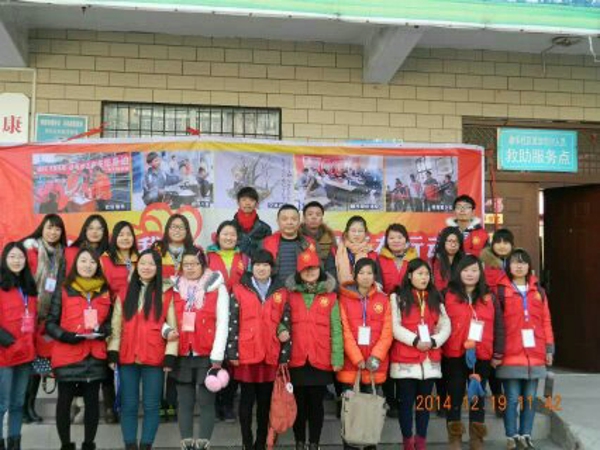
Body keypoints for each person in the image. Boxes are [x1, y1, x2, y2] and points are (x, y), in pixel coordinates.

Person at [108, 248, 178, 450]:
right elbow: (116, 326)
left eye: (151, 264)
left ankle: (146, 445)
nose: (146, 267)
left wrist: (170, 355)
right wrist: (113, 351)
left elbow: (173, 328)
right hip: (127, 357)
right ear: (136, 266)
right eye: (143, 263)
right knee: (128, 405)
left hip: (154, 357)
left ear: (158, 268)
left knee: (151, 406)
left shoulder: (166, 293)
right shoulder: (124, 292)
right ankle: (130, 445)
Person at [46, 248, 112, 450]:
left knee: (92, 403)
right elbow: (50, 323)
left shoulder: (105, 290)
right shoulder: (64, 289)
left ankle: (88, 444)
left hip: (95, 355)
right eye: (83, 261)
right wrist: (65, 336)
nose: (88, 265)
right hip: (67, 354)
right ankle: (66, 445)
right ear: (75, 264)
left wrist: (104, 330)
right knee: (64, 402)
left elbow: (111, 321)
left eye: (92, 262)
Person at [227, 250, 291, 450]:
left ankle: (261, 443)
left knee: (265, 403)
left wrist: (284, 355)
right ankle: (247, 442)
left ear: (271, 268)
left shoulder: (281, 292)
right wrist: (232, 352)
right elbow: (232, 322)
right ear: (251, 267)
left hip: (270, 352)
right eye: (257, 265)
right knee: (246, 401)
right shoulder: (239, 289)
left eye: (265, 265)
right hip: (247, 352)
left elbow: (286, 323)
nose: (261, 269)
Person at [443, 255, 505, 450]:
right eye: (466, 270)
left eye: (474, 270)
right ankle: (454, 439)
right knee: (454, 396)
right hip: (454, 354)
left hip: (481, 355)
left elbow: (499, 326)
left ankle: (476, 439)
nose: (470, 274)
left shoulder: (489, 297)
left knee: (477, 397)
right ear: (458, 272)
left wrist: (498, 353)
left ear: (481, 273)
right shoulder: (447, 295)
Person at [170, 248, 229, 450]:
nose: (190, 268)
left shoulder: (216, 287)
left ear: (203, 265)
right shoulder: (174, 288)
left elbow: (223, 323)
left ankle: (204, 443)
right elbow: (163, 317)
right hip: (181, 352)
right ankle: (186, 443)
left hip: (207, 353)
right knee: (184, 402)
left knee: (206, 401)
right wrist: (167, 331)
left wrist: (217, 355)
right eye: (186, 264)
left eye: (194, 264)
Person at [496, 249, 554, 450]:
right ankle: (511, 436)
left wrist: (549, 349)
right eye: (515, 262)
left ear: (529, 266)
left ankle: (526, 435)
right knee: (512, 399)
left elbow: (546, 321)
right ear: (508, 266)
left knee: (529, 400)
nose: (519, 266)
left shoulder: (539, 291)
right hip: (510, 354)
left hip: (535, 354)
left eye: (523, 262)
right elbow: (496, 325)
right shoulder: (500, 291)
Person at [389, 258, 450, 450]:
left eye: (427, 274)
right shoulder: (397, 297)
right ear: (410, 275)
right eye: (419, 274)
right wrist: (415, 341)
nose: (424, 278)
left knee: (424, 405)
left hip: (429, 360)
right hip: (405, 361)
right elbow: (395, 326)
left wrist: (434, 341)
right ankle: (408, 441)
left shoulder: (435, 296)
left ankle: (421, 441)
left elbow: (446, 325)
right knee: (406, 405)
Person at [287, 248, 342, 450]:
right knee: (298, 404)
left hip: (320, 357)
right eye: (305, 269)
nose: (310, 272)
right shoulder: (290, 296)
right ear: (298, 272)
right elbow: (282, 322)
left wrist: (337, 358)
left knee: (316, 404)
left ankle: (314, 443)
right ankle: (299, 442)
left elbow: (337, 330)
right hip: (297, 358)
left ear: (320, 270)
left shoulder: (331, 297)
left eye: (314, 268)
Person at [337, 258, 393, 450]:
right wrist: (357, 358)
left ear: (375, 276)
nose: (366, 277)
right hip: (351, 366)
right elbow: (344, 331)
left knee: (371, 416)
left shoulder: (383, 300)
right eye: (361, 273)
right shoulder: (343, 299)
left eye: (370, 273)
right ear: (354, 275)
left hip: (374, 367)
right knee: (350, 416)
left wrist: (376, 356)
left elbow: (387, 331)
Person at [22, 214, 67, 424]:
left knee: (38, 362)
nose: (53, 232)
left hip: (48, 316)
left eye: (57, 229)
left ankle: (29, 405)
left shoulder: (62, 254)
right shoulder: (29, 250)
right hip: (28, 315)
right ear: (42, 228)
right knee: (25, 361)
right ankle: (22, 407)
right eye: (50, 227)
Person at [101, 221, 140, 424]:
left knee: (131, 360)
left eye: (129, 234)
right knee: (111, 360)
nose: (125, 238)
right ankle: (111, 406)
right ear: (114, 237)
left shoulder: (140, 260)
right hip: (112, 316)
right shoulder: (105, 261)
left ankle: (129, 404)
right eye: (121, 234)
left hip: (137, 318)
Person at [0, 242, 38, 450]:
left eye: (20, 257)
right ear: (5, 259)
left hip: (26, 354)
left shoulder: (29, 288)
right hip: (4, 355)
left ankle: (15, 444)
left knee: (18, 403)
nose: (17, 261)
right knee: (2, 404)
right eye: (12, 257)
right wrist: (11, 343)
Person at [261, 204, 315, 287]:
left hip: (302, 291)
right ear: (278, 221)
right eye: (284, 219)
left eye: (294, 219)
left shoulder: (310, 244)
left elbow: (318, 272)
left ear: (299, 221)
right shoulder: (266, 244)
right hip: (274, 291)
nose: (289, 222)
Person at [207, 221, 249, 294]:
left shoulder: (244, 258)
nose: (229, 238)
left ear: (237, 238)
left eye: (233, 235)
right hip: (214, 299)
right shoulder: (207, 257)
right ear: (218, 237)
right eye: (225, 234)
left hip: (238, 299)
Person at [335, 216, 378, 286]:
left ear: (365, 233)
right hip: (341, 290)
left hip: (366, 291)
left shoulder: (372, 254)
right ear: (347, 232)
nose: (357, 234)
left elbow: (377, 278)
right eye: (353, 231)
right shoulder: (336, 251)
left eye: (360, 231)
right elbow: (331, 275)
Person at [231, 187, 272, 259]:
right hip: (235, 264)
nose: (247, 203)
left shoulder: (265, 229)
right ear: (238, 202)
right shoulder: (230, 227)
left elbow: (267, 254)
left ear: (256, 203)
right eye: (244, 200)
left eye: (251, 200)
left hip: (256, 264)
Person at [378, 224, 419, 295]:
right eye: (391, 238)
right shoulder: (379, 260)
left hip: (410, 299)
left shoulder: (414, 260)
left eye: (400, 238)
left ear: (406, 240)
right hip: (385, 300)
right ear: (386, 241)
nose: (396, 241)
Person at [300, 201, 337, 278]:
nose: (314, 217)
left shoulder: (329, 238)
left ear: (321, 219)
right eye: (310, 214)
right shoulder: (296, 237)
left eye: (318, 214)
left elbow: (331, 268)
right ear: (304, 218)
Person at [156, 214, 197, 280]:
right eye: (173, 227)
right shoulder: (157, 250)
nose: (177, 230)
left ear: (187, 231)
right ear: (167, 229)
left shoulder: (196, 252)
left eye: (181, 227)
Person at [430, 227, 464, 292]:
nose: (453, 245)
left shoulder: (464, 261)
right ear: (443, 242)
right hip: (438, 296)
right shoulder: (434, 261)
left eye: (456, 241)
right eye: (450, 241)